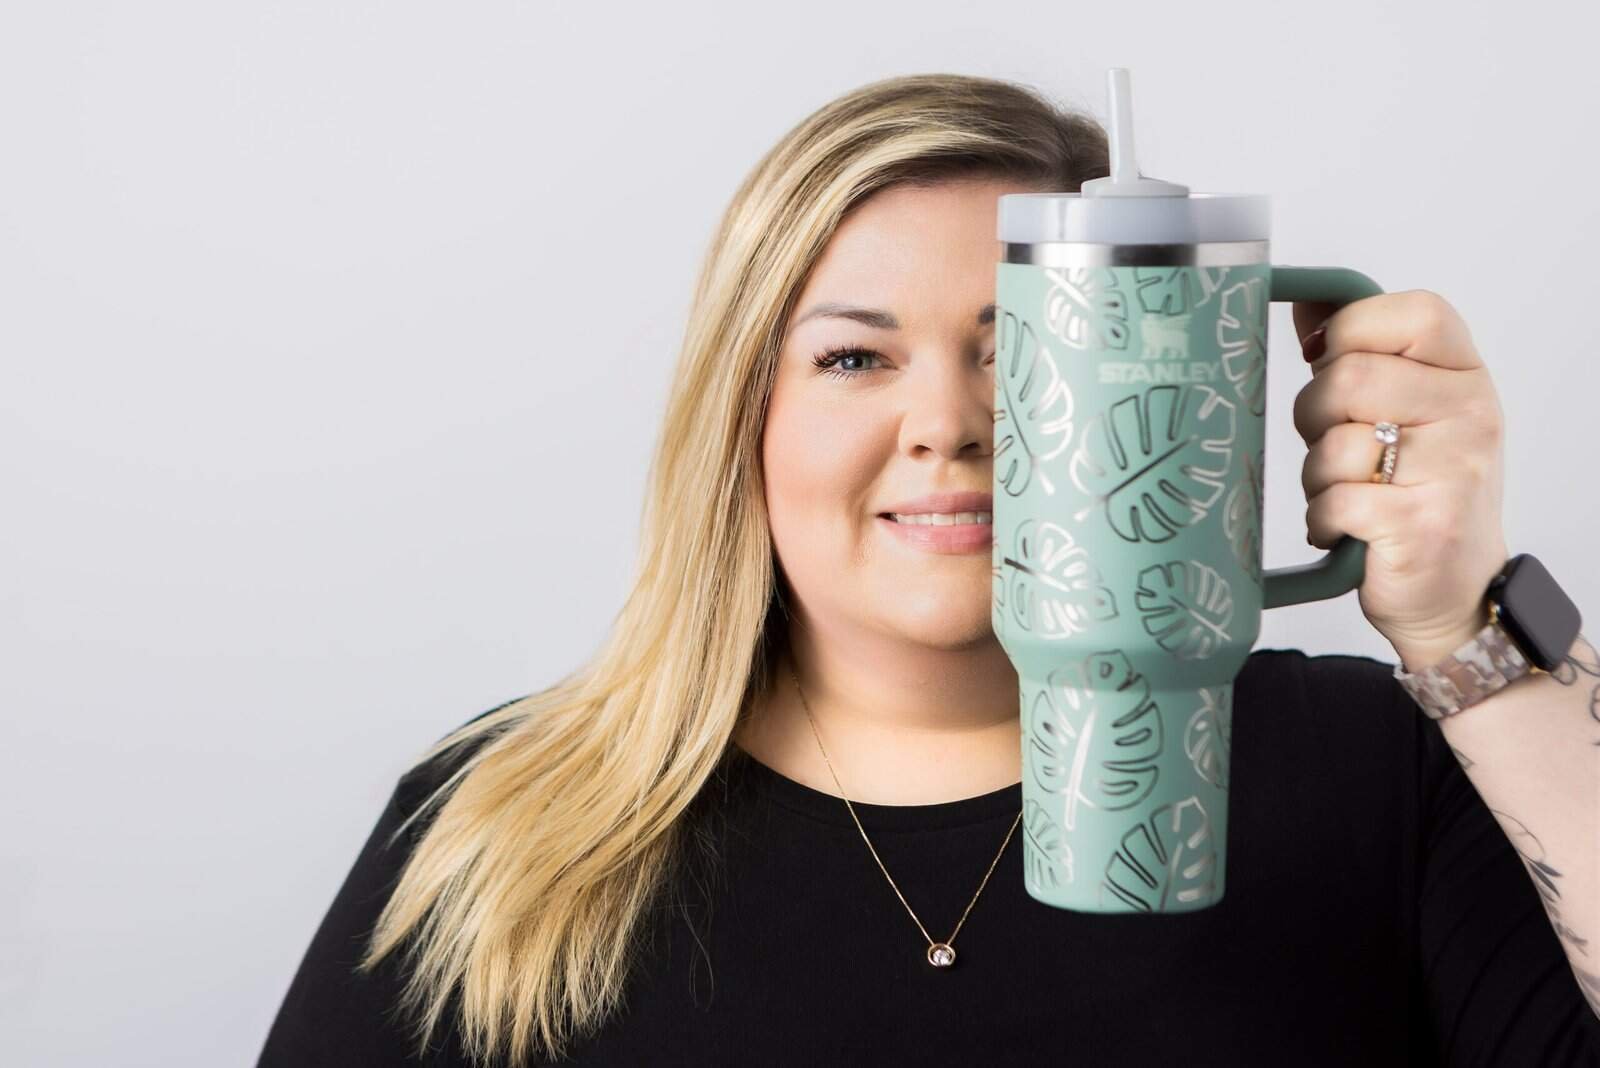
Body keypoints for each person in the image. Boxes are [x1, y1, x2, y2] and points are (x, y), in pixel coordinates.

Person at [257, 73, 1600, 1066]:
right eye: (854, 356)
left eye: (1024, 344)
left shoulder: (1376, 770)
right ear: (743, 417)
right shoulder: (502, 829)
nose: (950, 423)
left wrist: (1463, 632)